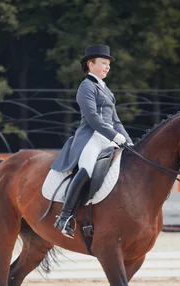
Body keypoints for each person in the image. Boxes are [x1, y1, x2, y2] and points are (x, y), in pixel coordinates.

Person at [50, 44, 132, 239]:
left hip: (109, 137)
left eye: (108, 64)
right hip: (91, 137)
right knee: (86, 169)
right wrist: (114, 135)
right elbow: (93, 118)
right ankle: (65, 217)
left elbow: (116, 120)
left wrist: (129, 142)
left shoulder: (106, 89)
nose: (108, 67)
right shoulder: (86, 86)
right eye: (104, 63)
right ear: (90, 63)